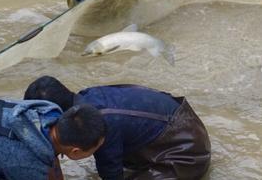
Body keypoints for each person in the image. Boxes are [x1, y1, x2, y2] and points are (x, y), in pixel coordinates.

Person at [24, 76, 211, 180]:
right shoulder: (88, 99)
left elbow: (110, 172)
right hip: (178, 119)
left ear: (57, 114)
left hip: (188, 150)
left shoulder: (100, 124)